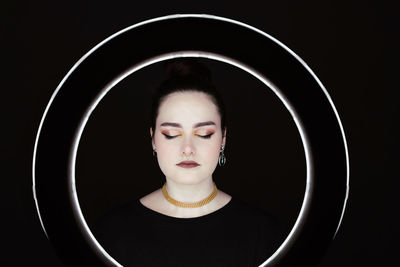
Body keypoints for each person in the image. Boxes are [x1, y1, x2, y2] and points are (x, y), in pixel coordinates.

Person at [94, 58, 284, 267]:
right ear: (153, 139)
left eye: (204, 134)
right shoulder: (111, 234)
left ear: (223, 139)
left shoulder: (264, 234)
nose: (187, 148)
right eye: (171, 134)